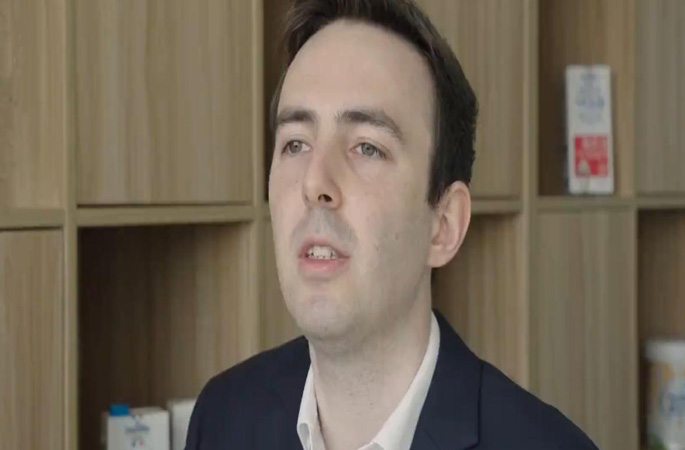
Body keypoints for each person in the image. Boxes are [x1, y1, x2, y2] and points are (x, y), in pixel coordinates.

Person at [186, 0, 599, 449]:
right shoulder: (223, 418)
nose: (314, 183)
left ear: (444, 225)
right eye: (295, 144)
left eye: (367, 147)